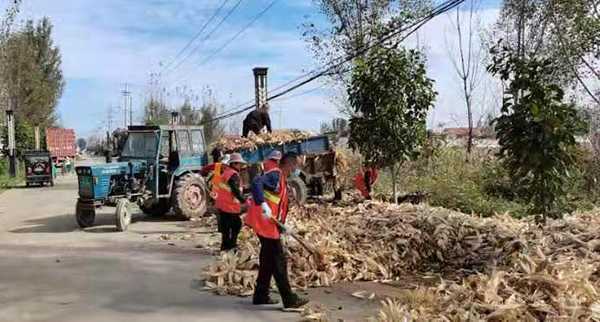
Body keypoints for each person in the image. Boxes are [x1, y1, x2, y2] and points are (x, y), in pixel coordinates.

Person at [244, 152, 309, 309]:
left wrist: (281, 225)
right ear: (290, 164)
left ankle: (260, 295)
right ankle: (289, 299)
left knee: (267, 261)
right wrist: (263, 205)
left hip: (269, 225)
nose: (296, 169)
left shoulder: (281, 179)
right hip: (265, 225)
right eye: (296, 165)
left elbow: (278, 204)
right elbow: (256, 183)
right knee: (279, 261)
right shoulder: (275, 174)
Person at [212, 153, 246, 251]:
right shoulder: (233, 175)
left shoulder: (226, 172)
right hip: (229, 206)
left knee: (226, 228)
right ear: (235, 164)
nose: (241, 166)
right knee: (237, 225)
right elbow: (235, 190)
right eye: (240, 164)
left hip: (222, 204)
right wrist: (244, 201)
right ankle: (232, 245)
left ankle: (225, 247)